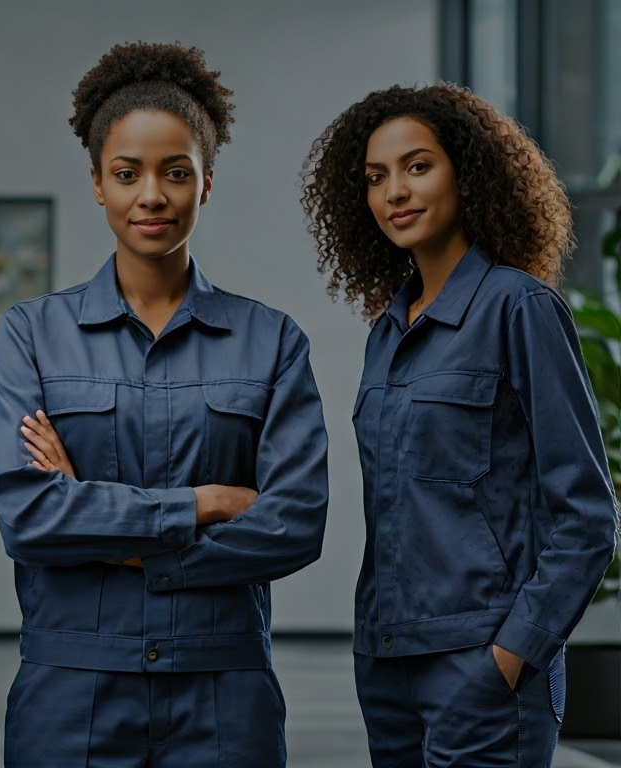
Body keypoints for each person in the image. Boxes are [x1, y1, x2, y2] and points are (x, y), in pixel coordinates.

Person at [0, 42, 329, 767]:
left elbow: (294, 525)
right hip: (71, 688)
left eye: (177, 173)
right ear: (97, 185)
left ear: (205, 185)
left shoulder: (270, 342)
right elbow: (30, 517)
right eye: (127, 173)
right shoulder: (34, 335)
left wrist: (108, 529)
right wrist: (202, 503)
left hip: (224, 687)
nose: (152, 196)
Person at [301, 81, 618, 766]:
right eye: (376, 178)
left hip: (482, 665)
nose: (395, 192)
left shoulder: (519, 309)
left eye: (418, 166)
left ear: (468, 175)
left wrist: (510, 655)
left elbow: (588, 516)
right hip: (387, 666)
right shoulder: (389, 330)